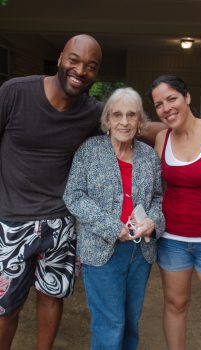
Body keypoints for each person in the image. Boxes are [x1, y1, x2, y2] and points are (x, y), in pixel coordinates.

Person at [0, 34, 104, 350]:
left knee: (52, 296)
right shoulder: (15, 92)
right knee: (5, 307)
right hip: (11, 221)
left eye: (91, 66)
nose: (80, 70)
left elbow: (135, 126)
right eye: (74, 59)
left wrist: (189, 126)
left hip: (60, 222)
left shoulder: (92, 112)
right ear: (60, 58)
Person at [63, 87, 165, 350]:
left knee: (131, 322)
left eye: (131, 115)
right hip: (101, 251)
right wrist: (112, 227)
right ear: (107, 120)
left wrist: (152, 222)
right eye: (117, 115)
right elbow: (73, 195)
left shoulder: (149, 156)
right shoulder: (89, 151)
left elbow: (157, 197)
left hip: (139, 252)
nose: (124, 122)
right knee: (110, 324)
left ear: (140, 121)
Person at [150, 74, 201, 350]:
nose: (166, 108)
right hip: (173, 241)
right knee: (175, 305)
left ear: (187, 97)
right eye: (159, 104)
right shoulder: (162, 138)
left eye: (172, 98)